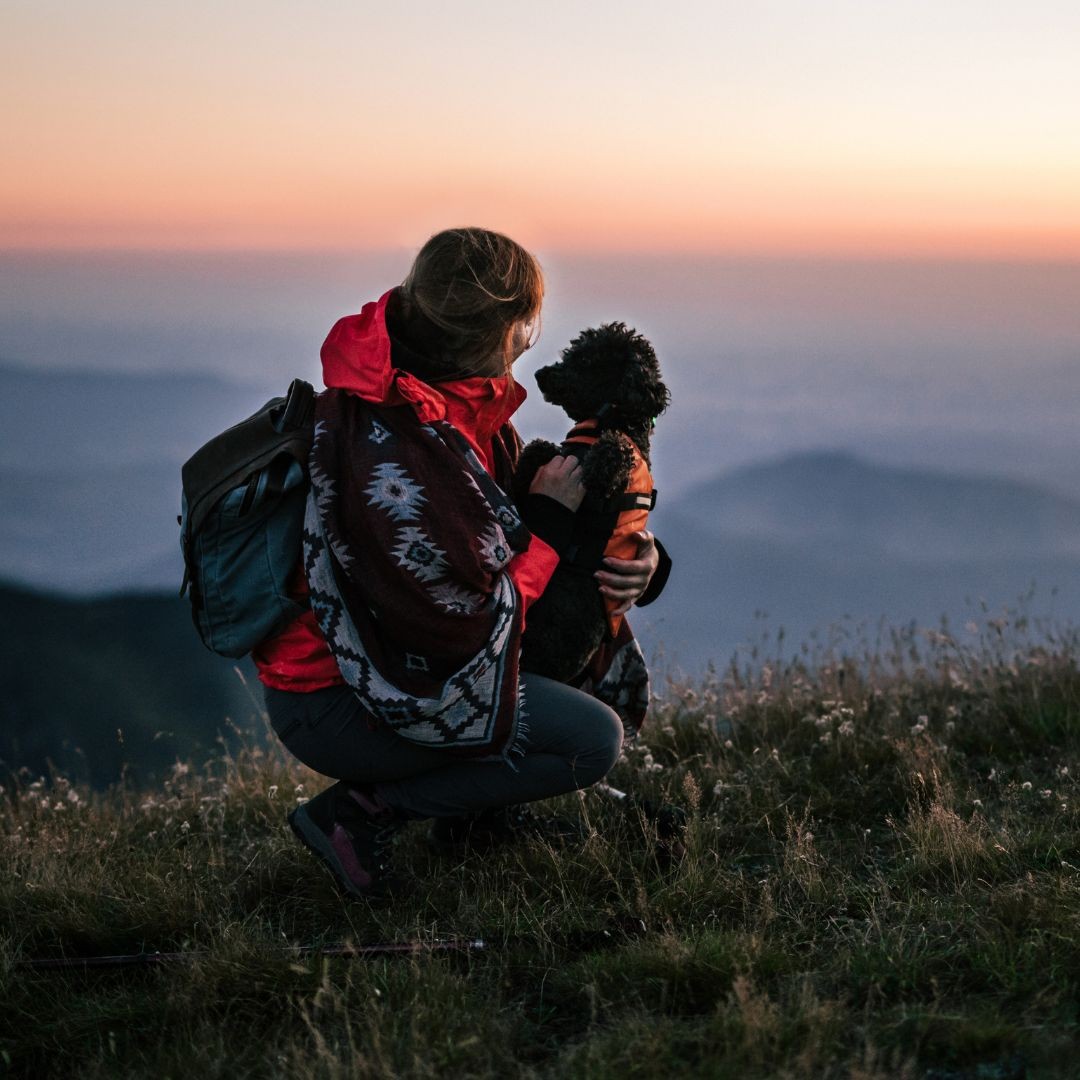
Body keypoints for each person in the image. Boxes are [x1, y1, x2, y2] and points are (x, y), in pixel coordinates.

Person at [254, 227, 667, 896]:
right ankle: (359, 814)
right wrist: (552, 523)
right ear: (504, 331)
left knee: (559, 659)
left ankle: (476, 821)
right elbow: (468, 623)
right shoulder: (401, 446)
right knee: (590, 740)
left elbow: (491, 539)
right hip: (339, 702)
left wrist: (642, 562)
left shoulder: (449, 403)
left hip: (378, 667)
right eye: (531, 317)